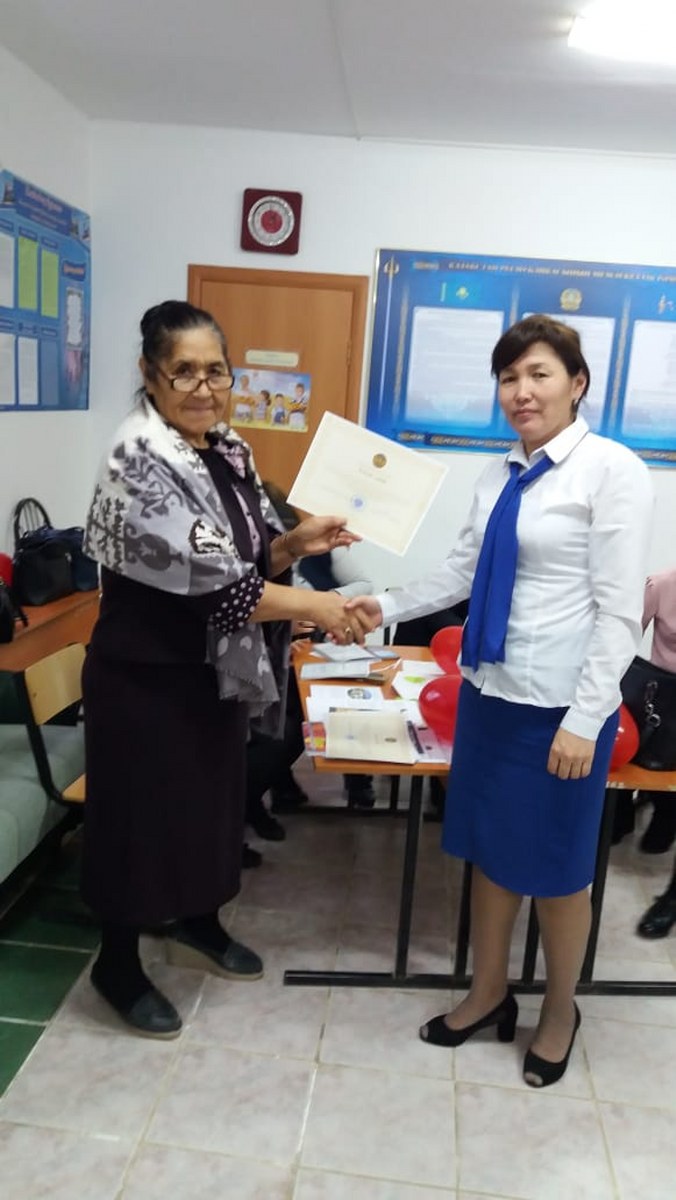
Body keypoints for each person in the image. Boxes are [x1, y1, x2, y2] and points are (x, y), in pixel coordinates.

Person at [347, 315, 653, 1087]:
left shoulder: (611, 471)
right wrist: (382, 605)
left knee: (557, 871)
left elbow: (619, 612)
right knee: (490, 853)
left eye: (539, 373)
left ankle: (560, 1010)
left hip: (561, 712)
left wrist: (586, 718)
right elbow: (460, 570)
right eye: (510, 377)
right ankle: (487, 994)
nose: (522, 391)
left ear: (577, 383)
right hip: (490, 696)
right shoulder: (500, 473)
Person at [82, 300, 373, 1039]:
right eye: (184, 371)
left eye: (216, 371)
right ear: (150, 374)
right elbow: (225, 588)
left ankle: (197, 921)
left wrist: (295, 543)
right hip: (145, 675)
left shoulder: (223, 447)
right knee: (139, 821)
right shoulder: (139, 460)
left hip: (207, 671)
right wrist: (325, 608)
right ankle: (117, 963)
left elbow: (247, 560)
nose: (204, 387)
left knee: (209, 808)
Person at [613, 567, 676, 852]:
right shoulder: (660, 585)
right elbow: (624, 642)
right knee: (628, 747)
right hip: (662, 697)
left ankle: (665, 819)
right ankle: (621, 816)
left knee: (657, 842)